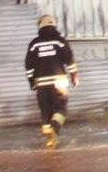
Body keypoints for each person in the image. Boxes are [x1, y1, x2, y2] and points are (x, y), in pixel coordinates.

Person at [25, 14, 79, 148]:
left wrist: (32, 81)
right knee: (61, 107)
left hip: (41, 82)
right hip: (59, 79)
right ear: (54, 25)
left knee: (45, 109)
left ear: (40, 26)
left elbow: (29, 65)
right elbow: (69, 59)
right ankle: (55, 127)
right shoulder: (60, 41)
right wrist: (74, 76)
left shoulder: (34, 44)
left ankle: (49, 135)